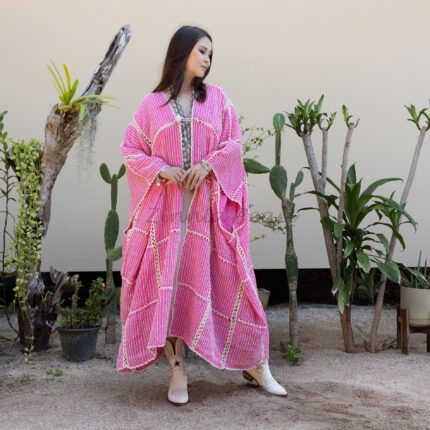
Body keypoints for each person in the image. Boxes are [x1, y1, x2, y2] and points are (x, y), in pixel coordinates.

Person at [117, 25, 287, 405]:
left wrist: (208, 165)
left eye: (211, 53)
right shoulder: (151, 105)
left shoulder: (218, 100)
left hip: (209, 218)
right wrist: (162, 169)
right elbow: (130, 150)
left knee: (235, 282)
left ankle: (256, 363)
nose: (208, 59)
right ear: (182, 51)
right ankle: (177, 368)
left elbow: (234, 144)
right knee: (170, 290)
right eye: (202, 51)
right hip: (166, 220)